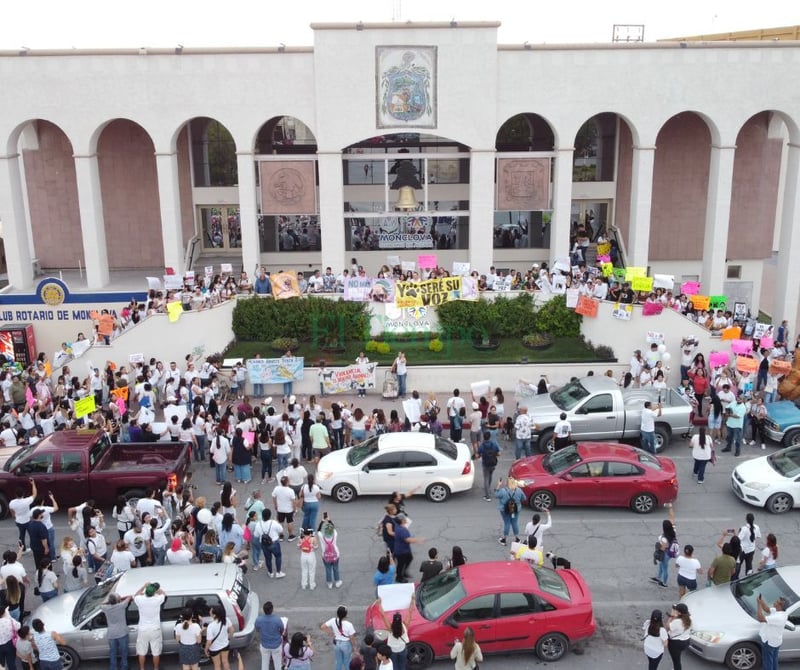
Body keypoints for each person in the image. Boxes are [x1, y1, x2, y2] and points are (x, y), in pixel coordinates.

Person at [134, 581, 166, 670]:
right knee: (156, 652)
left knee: (141, 652)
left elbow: (136, 595)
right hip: (155, 629)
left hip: (143, 630)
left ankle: (142, 668)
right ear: (154, 592)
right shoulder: (157, 599)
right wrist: (156, 588)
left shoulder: (140, 600)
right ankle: (156, 668)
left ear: (146, 591)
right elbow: (163, 594)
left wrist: (144, 586)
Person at [377, 597, 414, 670]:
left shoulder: (390, 628)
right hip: (402, 649)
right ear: (400, 621)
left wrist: (379, 603)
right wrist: (412, 600)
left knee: (395, 666)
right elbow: (410, 612)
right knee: (402, 665)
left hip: (392, 651)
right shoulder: (405, 626)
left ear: (393, 621)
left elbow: (383, 615)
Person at [757, 594, 790, 670]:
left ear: (780, 605)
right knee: (773, 660)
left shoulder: (778, 617)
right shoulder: (779, 611)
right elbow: (767, 609)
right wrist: (761, 601)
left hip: (769, 642)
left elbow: (760, 618)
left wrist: (758, 605)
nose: (775, 601)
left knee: (768, 662)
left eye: (777, 601)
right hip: (775, 641)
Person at [102, 592, 134, 670]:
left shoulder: (105, 608)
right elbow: (130, 596)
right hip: (122, 633)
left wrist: (111, 601)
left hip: (111, 634)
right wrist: (121, 598)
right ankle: (124, 667)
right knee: (124, 652)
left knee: (112, 653)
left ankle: (113, 668)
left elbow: (102, 603)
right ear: (117, 600)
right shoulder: (121, 606)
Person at [321, 606, 357, 670]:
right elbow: (352, 638)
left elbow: (323, 627)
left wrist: (331, 633)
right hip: (346, 644)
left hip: (336, 643)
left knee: (338, 661)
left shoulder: (333, 620)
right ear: (346, 615)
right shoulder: (349, 624)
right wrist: (354, 647)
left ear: (337, 613)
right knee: (347, 661)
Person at [392, 513, 424, 584]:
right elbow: (407, 540)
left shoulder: (399, 526)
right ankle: (399, 577)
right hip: (401, 551)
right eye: (404, 519)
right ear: (402, 521)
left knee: (409, 558)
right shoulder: (402, 530)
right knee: (401, 564)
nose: (406, 519)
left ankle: (404, 572)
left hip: (404, 549)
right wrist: (418, 540)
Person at [495, 477, 526, 546]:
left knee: (507, 523)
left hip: (505, 510)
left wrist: (498, 485)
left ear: (507, 483)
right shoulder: (519, 490)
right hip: (515, 510)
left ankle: (504, 539)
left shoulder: (503, 491)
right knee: (514, 522)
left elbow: (496, 495)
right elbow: (524, 498)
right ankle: (517, 538)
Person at [9, 478, 37, 552]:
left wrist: (15, 517)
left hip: (19, 521)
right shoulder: (26, 501)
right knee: (32, 535)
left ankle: (22, 549)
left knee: (21, 536)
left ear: (16, 494)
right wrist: (33, 484)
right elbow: (34, 494)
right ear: (23, 494)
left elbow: (12, 512)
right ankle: (33, 547)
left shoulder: (12, 502)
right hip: (27, 521)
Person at [255, 601, 285, 670]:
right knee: (278, 664)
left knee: (264, 664)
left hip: (264, 645)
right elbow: (282, 629)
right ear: (272, 609)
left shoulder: (259, 619)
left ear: (264, 610)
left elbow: (257, 629)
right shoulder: (277, 619)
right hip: (276, 645)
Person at [651, 506, 676, 588]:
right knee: (661, 565)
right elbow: (672, 517)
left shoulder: (664, 539)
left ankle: (664, 583)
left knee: (664, 568)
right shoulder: (673, 531)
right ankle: (658, 577)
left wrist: (658, 545)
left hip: (665, 554)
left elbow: (662, 548)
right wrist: (670, 507)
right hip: (669, 552)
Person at [204, 605, 234, 670]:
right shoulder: (226, 619)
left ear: (214, 615)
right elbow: (232, 630)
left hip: (214, 648)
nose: (209, 611)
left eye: (211, 611)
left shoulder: (211, 626)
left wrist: (206, 650)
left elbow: (209, 641)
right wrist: (228, 638)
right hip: (225, 645)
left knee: (217, 665)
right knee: (225, 662)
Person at [735, 512, 762, 578]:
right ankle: (749, 577)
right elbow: (758, 536)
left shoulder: (744, 529)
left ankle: (735, 578)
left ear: (746, 519)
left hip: (743, 550)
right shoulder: (757, 527)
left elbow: (738, 540)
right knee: (749, 564)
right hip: (751, 549)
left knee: (738, 563)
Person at [476, 431, 500, 502]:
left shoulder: (482, 446)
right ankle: (488, 488)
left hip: (485, 464)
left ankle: (487, 496)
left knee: (486, 479)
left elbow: (478, 455)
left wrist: (479, 455)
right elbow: (499, 453)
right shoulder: (494, 444)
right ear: (489, 437)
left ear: (484, 437)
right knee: (490, 476)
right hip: (493, 463)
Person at [666, 603, 691, 670]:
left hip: (675, 643)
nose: (675, 611)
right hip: (686, 640)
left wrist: (671, 616)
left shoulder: (677, 622)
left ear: (679, 613)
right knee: (678, 656)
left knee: (676, 661)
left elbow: (668, 627)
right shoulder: (690, 618)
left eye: (676, 610)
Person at [272, 476, 297, 541]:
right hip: (289, 509)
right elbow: (293, 501)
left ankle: (281, 535)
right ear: (287, 482)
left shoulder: (276, 488)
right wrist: (294, 509)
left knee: (280, 522)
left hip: (280, 508)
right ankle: (290, 535)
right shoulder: (290, 491)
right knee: (290, 522)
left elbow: (273, 497)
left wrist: (275, 505)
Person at [319, 517, 342, 588]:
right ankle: (337, 581)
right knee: (336, 568)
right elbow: (334, 528)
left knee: (328, 569)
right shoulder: (334, 535)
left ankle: (329, 583)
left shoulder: (321, 536)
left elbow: (318, 530)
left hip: (325, 556)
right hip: (335, 555)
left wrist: (322, 522)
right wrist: (329, 520)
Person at [0, 604, 22, 670]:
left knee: (1, 664)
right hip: (10, 644)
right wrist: (8, 616)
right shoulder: (9, 620)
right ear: (4, 613)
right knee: (11, 662)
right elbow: (18, 626)